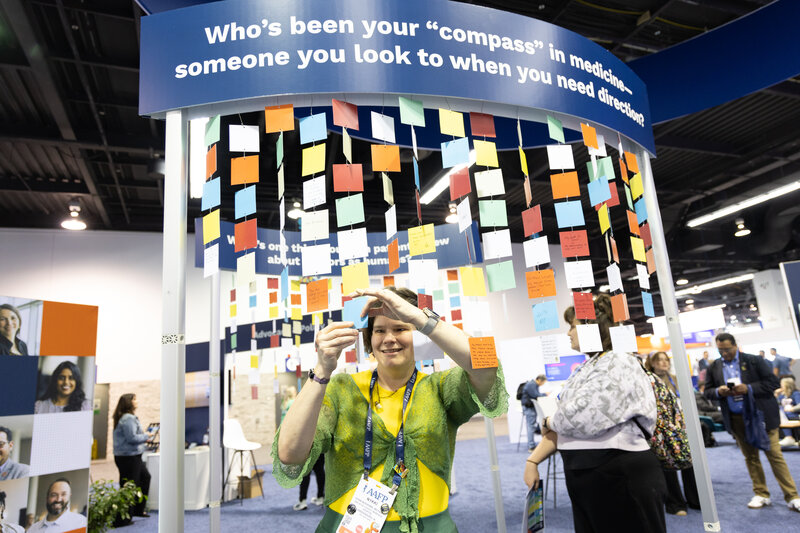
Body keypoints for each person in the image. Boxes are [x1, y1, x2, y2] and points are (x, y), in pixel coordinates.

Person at [273, 286, 507, 532]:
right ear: (369, 339)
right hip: (348, 525)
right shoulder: (341, 389)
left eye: (401, 328)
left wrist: (421, 318)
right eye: (380, 330)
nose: (389, 338)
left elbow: (487, 364)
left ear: (418, 334)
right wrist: (321, 371)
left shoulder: (440, 388)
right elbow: (289, 455)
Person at [524, 294, 666, 533]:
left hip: (618, 473)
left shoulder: (619, 362)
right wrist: (533, 460)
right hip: (590, 474)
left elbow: (583, 416)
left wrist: (549, 420)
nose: (568, 333)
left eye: (573, 326)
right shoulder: (590, 365)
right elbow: (566, 421)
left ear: (593, 328)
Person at [704, 332, 800, 511]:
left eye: (727, 349)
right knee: (751, 457)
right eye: (720, 350)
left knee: (775, 456)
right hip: (736, 418)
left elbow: (772, 383)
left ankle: (793, 496)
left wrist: (747, 388)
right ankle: (762, 494)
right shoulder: (714, 367)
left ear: (735, 345)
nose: (724, 353)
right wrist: (719, 392)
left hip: (760, 416)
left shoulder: (754, 360)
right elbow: (707, 391)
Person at [645, 352, 700, 516]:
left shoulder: (676, 379)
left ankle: (695, 499)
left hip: (683, 426)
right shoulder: (649, 381)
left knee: (690, 462)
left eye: (665, 360)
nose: (663, 363)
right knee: (668, 465)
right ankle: (675, 503)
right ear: (652, 363)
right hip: (663, 429)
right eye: (659, 360)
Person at [112, 394, 152, 519]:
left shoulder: (126, 417)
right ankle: (124, 517)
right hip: (128, 457)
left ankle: (137, 510)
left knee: (144, 478)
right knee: (129, 485)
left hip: (132, 456)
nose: (137, 401)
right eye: (134, 399)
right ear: (128, 402)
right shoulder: (128, 418)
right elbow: (132, 438)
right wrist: (147, 436)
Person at [521, 375, 547, 451]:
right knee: (531, 426)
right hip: (529, 407)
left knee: (531, 426)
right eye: (543, 383)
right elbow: (535, 395)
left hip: (530, 407)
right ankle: (531, 446)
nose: (542, 384)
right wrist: (545, 394)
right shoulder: (532, 385)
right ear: (539, 380)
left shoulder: (533, 384)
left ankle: (532, 444)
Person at [777, 377, 800, 446]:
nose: (781, 386)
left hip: (795, 414)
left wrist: (792, 409)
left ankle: (789, 437)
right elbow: (777, 404)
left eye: (782, 384)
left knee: (786, 414)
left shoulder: (795, 393)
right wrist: (776, 394)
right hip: (785, 414)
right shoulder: (782, 395)